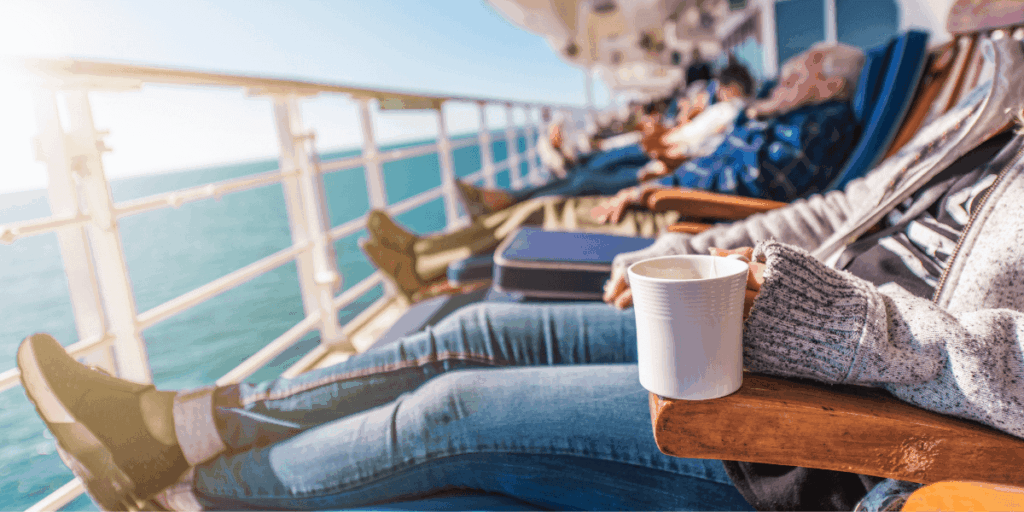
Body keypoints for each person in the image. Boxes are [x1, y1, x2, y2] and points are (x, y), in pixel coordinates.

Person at [18, 35, 1024, 511]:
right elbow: (843, 209)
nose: (793, 72)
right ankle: (180, 424)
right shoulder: (991, 121)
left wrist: (828, 321)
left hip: (837, 423)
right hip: (783, 321)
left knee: (449, 408)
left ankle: (190, 493)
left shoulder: (829, 122)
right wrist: (720, 257)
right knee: (476, 323)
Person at [591, 43, 865, 223]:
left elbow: (745, 180)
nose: (782, 82)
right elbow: (727, 163)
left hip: (693, 216)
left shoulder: (818, 126)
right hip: (685, 201)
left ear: (831, 86)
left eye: (795, 77)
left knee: (573, 214)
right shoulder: (791, 118)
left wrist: (651, 190)